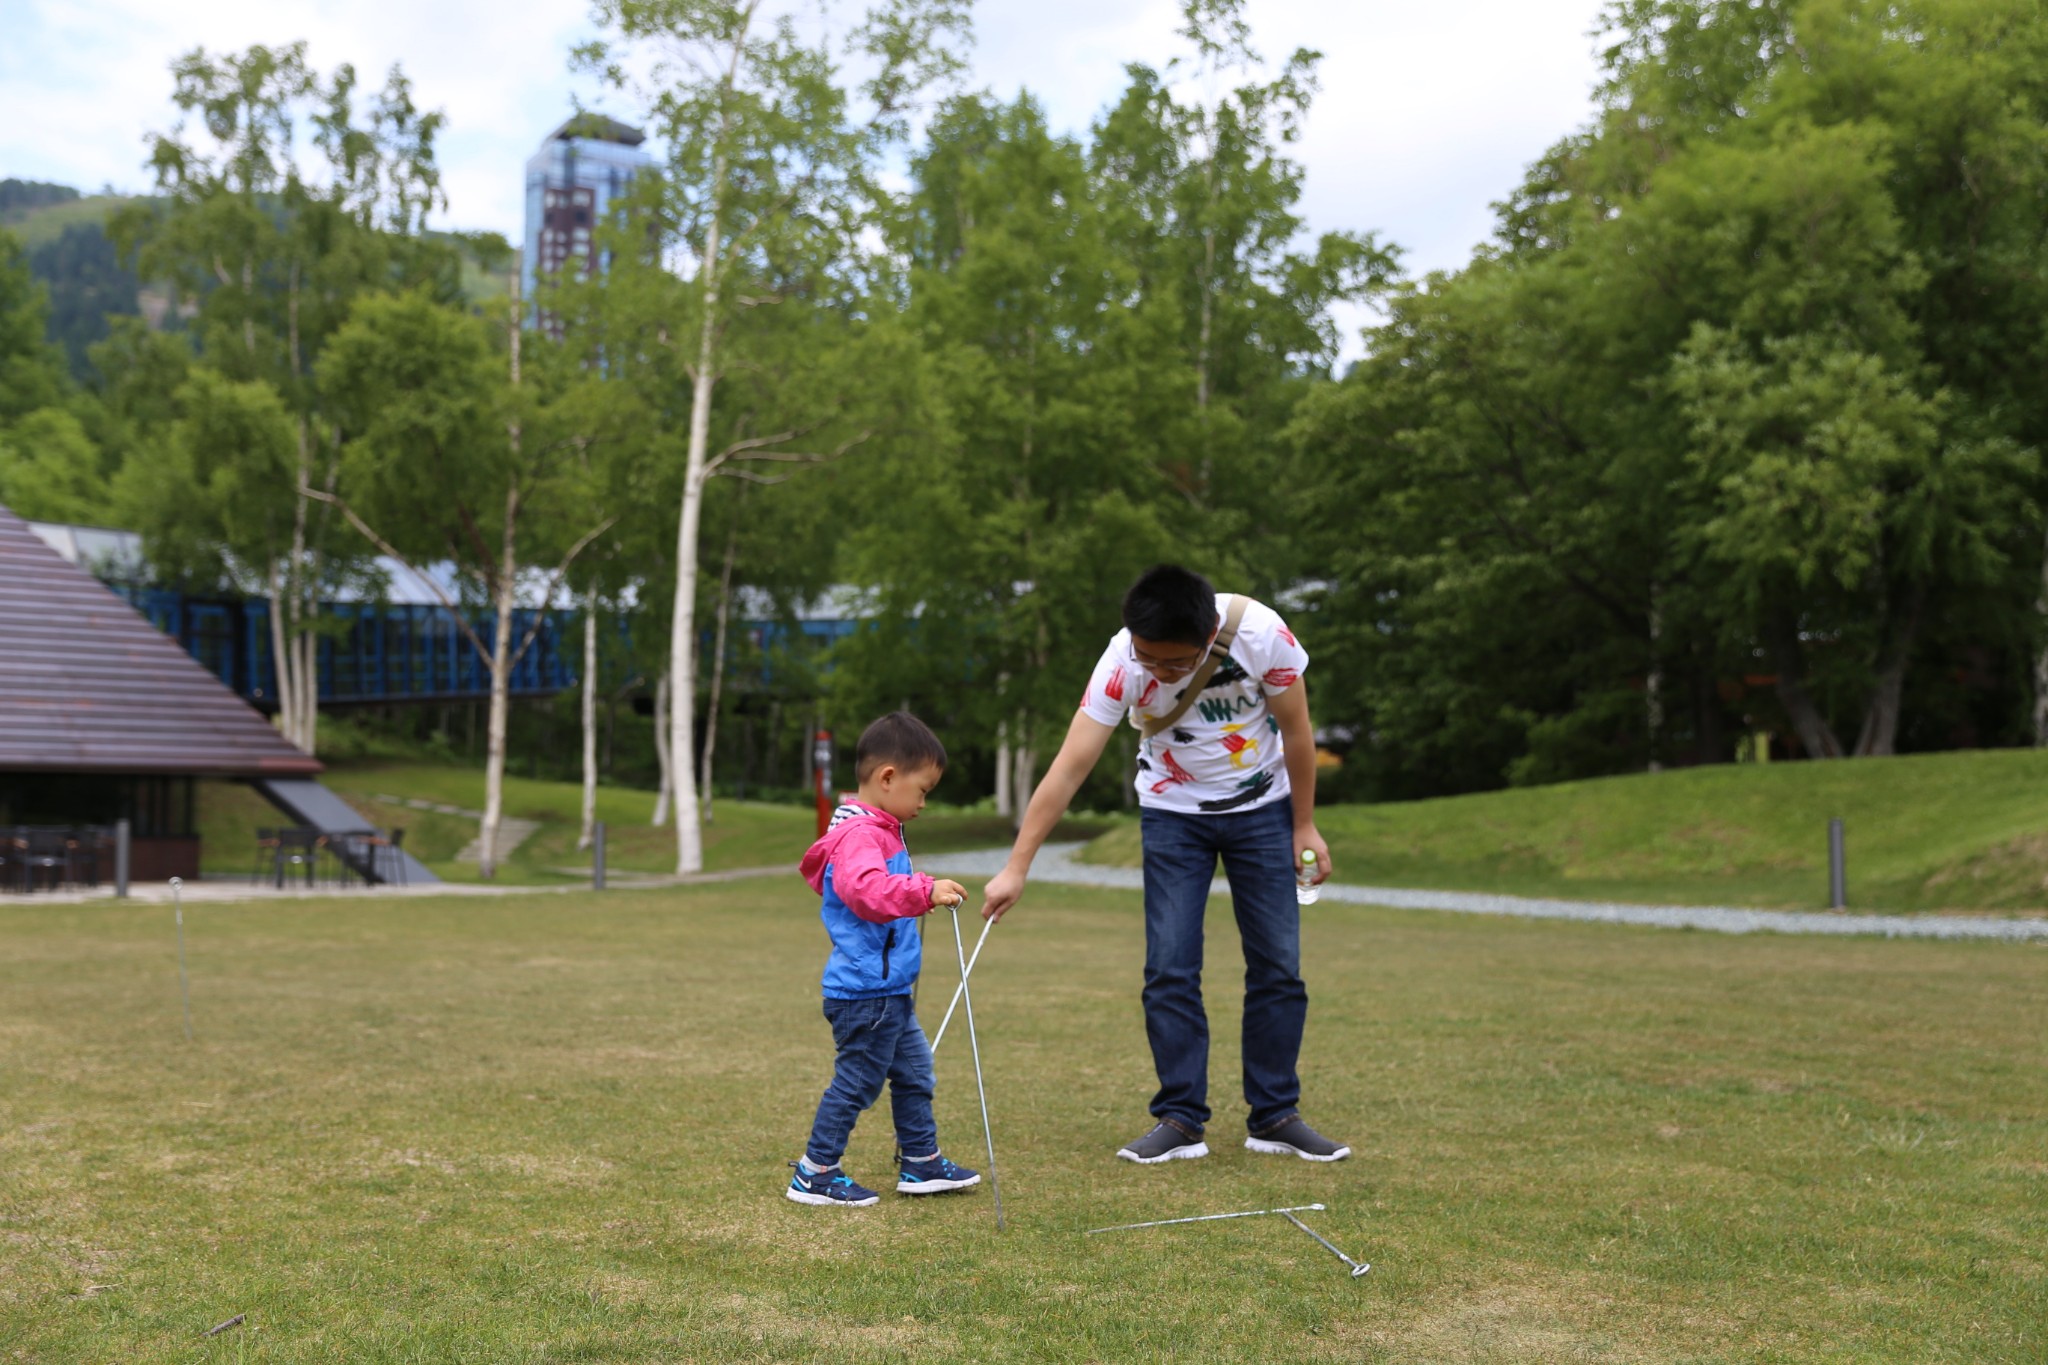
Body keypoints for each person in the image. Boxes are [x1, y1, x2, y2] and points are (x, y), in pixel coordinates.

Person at [980, 565, 1348, 1164]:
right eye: (1149, 657)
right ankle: (1180, 1119)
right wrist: (1017, 865)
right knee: (1170, 969)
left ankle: (1276, 1116)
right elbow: (1071, 766)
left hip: (1263, 810)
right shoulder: (1122, 661)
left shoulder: (1263, 635)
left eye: (1173, 663)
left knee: (1279, 965)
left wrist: (1304, 825)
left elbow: (1298, 732)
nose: (1158, 670)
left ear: (1207, 640)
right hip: (1172, 815)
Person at [787, 711, 982, 1207]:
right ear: (887, 778)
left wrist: (918, 896)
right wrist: (922, 890)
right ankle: (815, 1172)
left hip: (889, 991)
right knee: (856, 1083)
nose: (923, 801)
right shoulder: (861, 836)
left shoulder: (881, 830)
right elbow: (865, 890)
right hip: (865, 994)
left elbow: (883, 897)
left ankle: (920, 1163)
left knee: (916, 1074)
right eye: (922, 789)